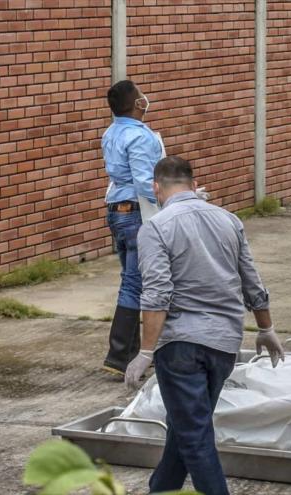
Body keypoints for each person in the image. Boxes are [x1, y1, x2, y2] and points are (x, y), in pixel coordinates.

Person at [126, 156, 284, 495]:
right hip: (224, 344)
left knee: (194, 435)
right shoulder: (229, 220)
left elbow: (157, 294)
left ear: (156, 188)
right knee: (185, 427)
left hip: (181, 346)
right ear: (194, 185)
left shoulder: (155, 227)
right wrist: (266, 328)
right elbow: (251, 280)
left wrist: (144, 351)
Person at [101, 80, 162, 381]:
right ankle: (120, 354)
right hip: (136, 211)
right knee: (136, 282)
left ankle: (132, 352)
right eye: (141, 96)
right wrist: (168, 199)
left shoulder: (111, 132)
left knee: (131, 278)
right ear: (137, 104)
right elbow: (142, 180)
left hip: (117, 210)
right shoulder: (139, 136)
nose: (145, 99)